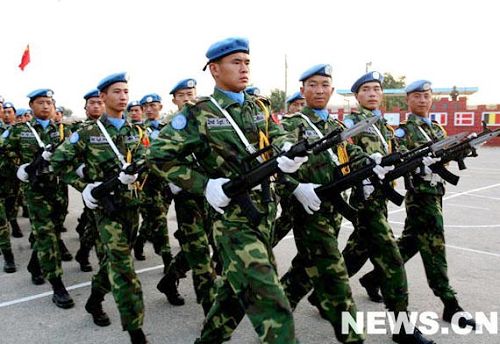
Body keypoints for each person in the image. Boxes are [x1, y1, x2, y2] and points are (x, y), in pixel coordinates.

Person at [147, 37, 304, 343]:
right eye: (236, 62)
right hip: (231, 219)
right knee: (269, 299)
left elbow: (277, 132)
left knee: (234, 294)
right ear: (215, 69)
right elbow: (157, 156)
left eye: (247, 62)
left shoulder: (259, 106)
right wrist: (205, 185)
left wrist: (287, 150)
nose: (244, 68)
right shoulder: (198, 113)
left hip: (264, 212)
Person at [359, 80, 477, 330]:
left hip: (437, 192)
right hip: (420, 196)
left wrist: (464, 148)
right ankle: (450, 303)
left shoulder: (436, 128)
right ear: (408, 101)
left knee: (411, 241)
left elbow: (445, 156)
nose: (422, 100)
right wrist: (419, 160)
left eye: (426, 95)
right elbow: (400, 156)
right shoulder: (403, 131)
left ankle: (373, 278)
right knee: (434, 246)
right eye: (417, 96)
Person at [51, 73, 148, 344]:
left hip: (131, 206)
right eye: (116, 91)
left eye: (126, 91)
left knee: (112, 263)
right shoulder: (87, 132)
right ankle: (135, 331)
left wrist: (139, 173)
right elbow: (59, 163)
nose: (123, 96)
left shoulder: (136, 132)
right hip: (106, 209)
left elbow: (144, 162)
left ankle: (94, 299)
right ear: (103, 97)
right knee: (123, 269)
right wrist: (84, 187)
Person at [341, 72, 435, 344]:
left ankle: (323, 291)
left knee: (356, 252)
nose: (372, 94)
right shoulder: (352, 123)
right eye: (366, 90)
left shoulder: (385, 127)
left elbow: (395, 156)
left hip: (380, 200)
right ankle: (403, 328)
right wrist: (370, 163)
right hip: (364, 200)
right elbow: (346, 154)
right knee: (392, 260)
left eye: (376, 89)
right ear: (357, 96)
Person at [277, 64, 368, 343]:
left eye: (325, 85)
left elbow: (350, 154)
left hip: (333, 210)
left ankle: (278, 311)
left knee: (306, 266)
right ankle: (352, 336)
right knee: (334, 275)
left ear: (332, 89)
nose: (319, 90)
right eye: (313, 85)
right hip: (307, 210)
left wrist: (372, 166)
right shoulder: (291, 126)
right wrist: (296, 188)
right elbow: (277, 168)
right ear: (302, 90)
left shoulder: (335, 126)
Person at [2, 89, 74, 307]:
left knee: (53, 228)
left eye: (49, 103)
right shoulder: (18, 131)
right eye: (41, 102)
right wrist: (18, 169)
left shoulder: (63, 130)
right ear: (31, 107)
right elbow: (3, 156)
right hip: (35, 191)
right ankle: (57, 285)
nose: (46, 106)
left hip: (59, 188)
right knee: (46, 234)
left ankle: (35, 264)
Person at [155, 78, 218, 314]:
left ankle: (169, 279)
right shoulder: (168, 127)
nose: (187, 98)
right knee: (200, 253)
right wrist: (173, 182)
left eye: (190, 93)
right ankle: (210, 313)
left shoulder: (207, 121)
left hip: (212, 194)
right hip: (186, 196)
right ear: (174, 100)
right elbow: (157, 159)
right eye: (181, 95)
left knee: (207, 243)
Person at [73, 88, 105, 272]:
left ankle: (83, 252)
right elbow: (68, 156)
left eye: (99, 102)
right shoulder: (80, 130)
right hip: (90, 185)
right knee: (94, 224)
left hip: (111, 185)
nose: (96, 106)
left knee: (93, 225)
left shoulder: (113, 128)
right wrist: (80, 169)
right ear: (85, 107)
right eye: (91, 103)